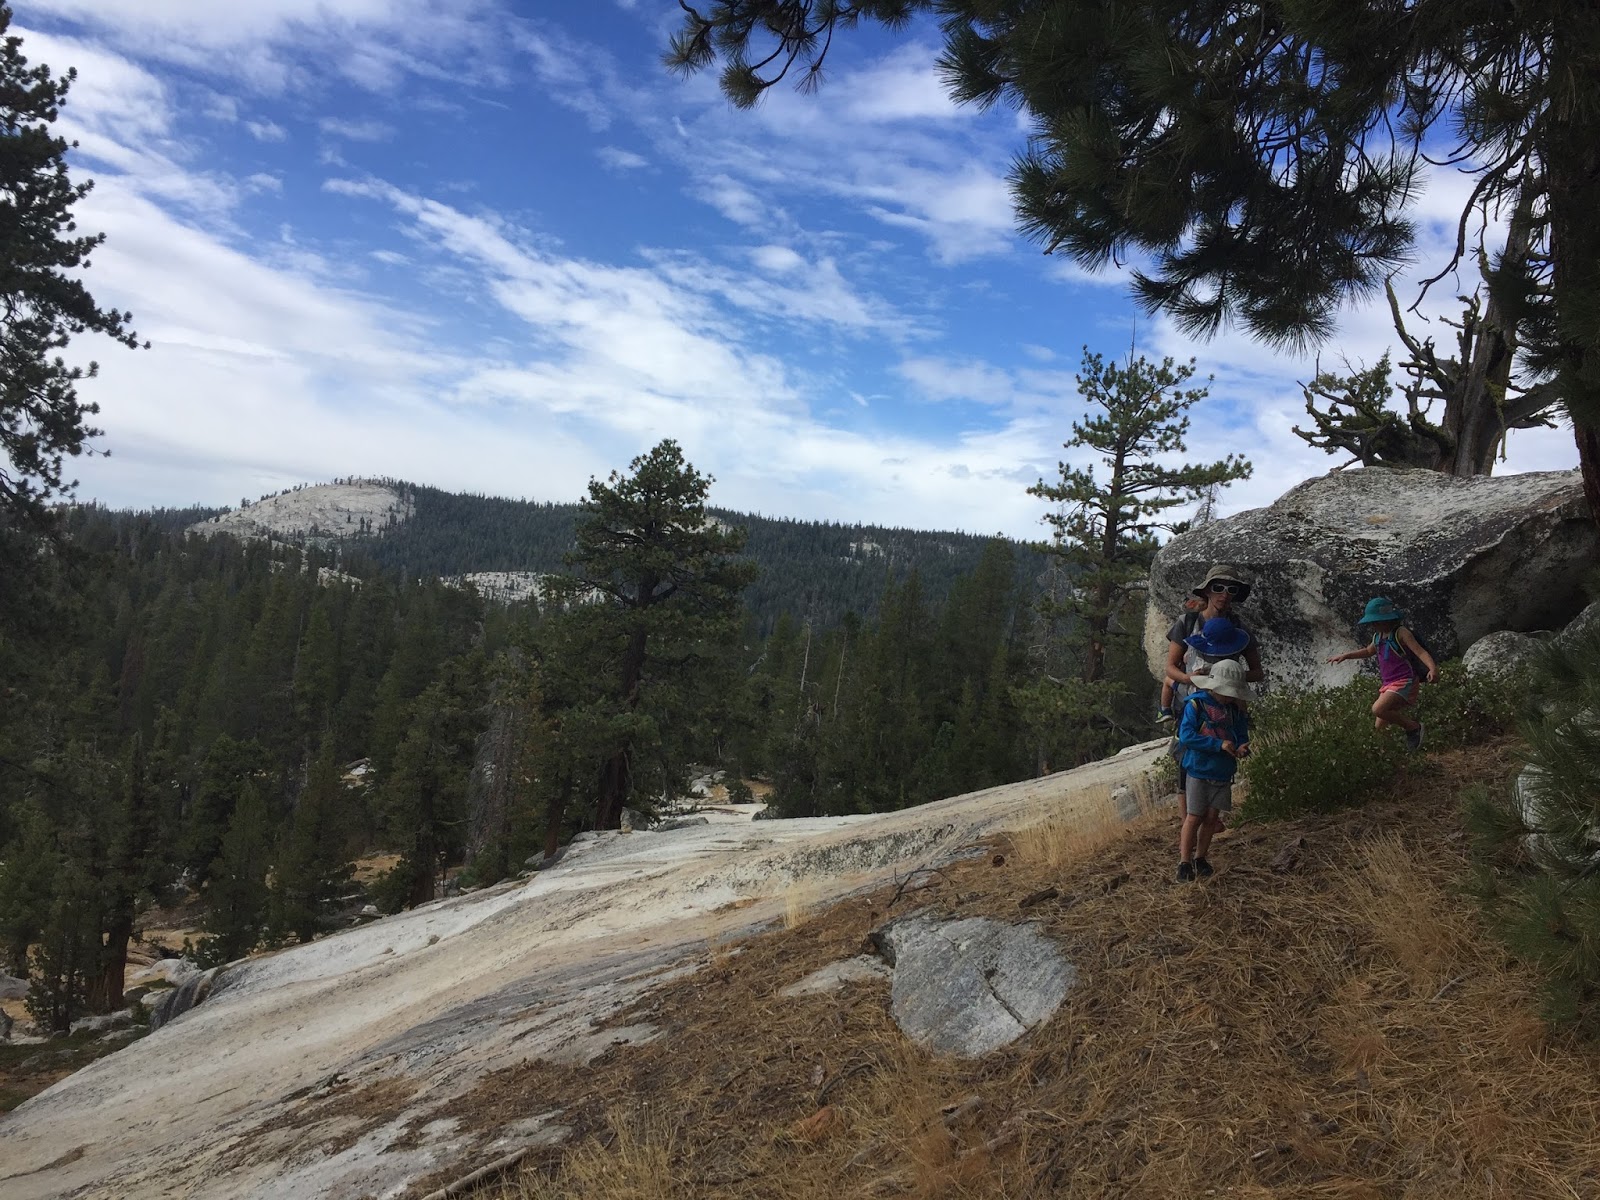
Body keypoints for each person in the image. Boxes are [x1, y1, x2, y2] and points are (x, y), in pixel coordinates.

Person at [1327, 596, 1438, 751]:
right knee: (1380, 729)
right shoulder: (1378, 636)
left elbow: (1420, 652)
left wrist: (1432, 668)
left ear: (1388, 619)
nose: (1374, 625)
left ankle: (1413, 728)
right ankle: (1391, 756)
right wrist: (1346, 655)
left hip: (1404, 680)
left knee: (1378, 709)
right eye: (1372, 622)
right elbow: (1368, 651)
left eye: (1377, 621)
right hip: (1388, 684)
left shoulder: (1401, 633)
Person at [1175, 656, 1251, 882]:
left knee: (1211, 817)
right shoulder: (1196, 704)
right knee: (1194, 816)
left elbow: (1241, 735)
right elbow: (1187, 736)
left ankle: (1201, 857)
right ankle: (1184, 861)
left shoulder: (1235, 711)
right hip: (1199, 769)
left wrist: (1241, 748)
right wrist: (1218, 745)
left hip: (1222, 771)